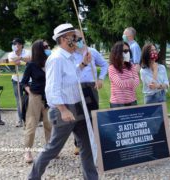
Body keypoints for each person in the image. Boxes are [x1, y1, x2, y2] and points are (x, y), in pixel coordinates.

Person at [28, 23, 98, 180]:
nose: (78, 40)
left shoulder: (71, 57)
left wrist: (84, 64)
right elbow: (52, 88)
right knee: (53, 148)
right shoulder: (56, 59)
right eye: (75, 37)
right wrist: (63, 109)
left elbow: (72, 78)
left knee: (86, 147)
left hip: (78, 106)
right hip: (63, 110)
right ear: (65, 39)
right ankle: (32, 177)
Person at [73, 29, 108, 154]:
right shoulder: (71, 55)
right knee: (78, 115)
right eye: (74, 38)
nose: (77, 41)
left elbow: (105, 65)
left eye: (79, 38)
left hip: (91, 86)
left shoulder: (92, 51)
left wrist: (100, 79)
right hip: (76, 87)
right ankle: (78, 143)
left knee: (93, 114)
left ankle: (95, 142)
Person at [21, 40, 52, 163]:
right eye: (45, 46)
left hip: (49, 97)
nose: (48, 48)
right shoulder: (31, 65)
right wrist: (30, 92)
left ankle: (50, 150)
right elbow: (23, 82)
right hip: (35, 97)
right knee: (31, 125)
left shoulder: (50, 62)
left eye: (48, 46)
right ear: (39, 49)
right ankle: (27, 152)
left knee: (49, 124)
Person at [108, 41, 139, 108]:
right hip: (117, 104)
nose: (127, 53)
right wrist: (131, 81)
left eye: (128, 50)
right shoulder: (112, 68)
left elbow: (137, 82)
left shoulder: (131, 66)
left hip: (132, 101)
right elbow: (120, 84)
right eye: (125, 51)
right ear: (118, 53)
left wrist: (127, 82)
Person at [8, 38, 30, 127]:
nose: (15, 46)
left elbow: (29, 59)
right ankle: (20, 120)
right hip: (16, 79)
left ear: (21, 45)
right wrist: (19, 60)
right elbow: (11, 62)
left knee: (31, 99)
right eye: (14, 44)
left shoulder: (27, 52)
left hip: (28, 79)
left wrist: (20, 58)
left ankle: (32, 119)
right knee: (19, 100)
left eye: (17, 44)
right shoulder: (11, 54)